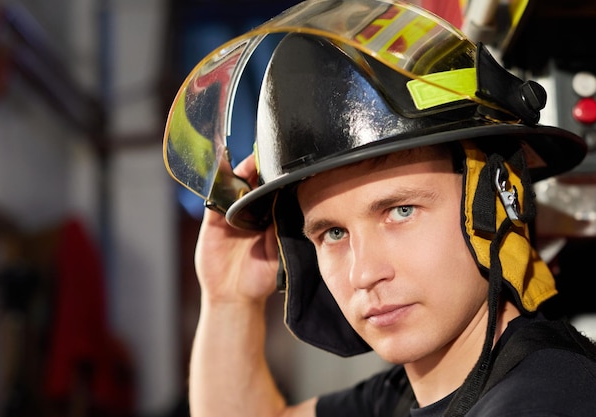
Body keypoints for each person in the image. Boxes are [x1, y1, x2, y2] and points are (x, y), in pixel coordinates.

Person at [162, 0, 596, 415]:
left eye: (400, 211)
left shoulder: (543, 404)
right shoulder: (425, 386)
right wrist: (227, 299)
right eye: (333, 233)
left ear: (498, 202)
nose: (363, 274)